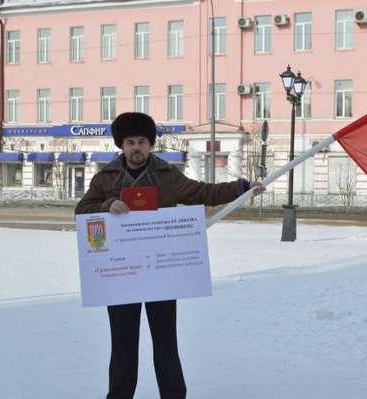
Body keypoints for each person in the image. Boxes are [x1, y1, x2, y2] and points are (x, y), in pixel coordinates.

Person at [75, 112, 264, 399]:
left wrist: (241, 188)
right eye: (130, 142)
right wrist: (108, 203)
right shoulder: (105, 177)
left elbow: (203, 193)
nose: (136, 148)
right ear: (121, 145)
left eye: (142, 141)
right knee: (123, 344)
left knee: (165, 342)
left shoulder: (167, 175)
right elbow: (82, 210)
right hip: (120, 274)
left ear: (149, 144)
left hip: (160, 274)